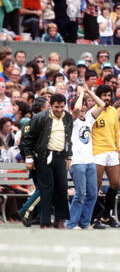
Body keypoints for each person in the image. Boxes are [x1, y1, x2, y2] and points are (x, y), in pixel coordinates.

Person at [21, 93, 73, 229]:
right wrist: (28, 158)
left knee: (62, 188)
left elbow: (68, 138)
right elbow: (27, 139)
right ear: (50, 105)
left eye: (62, 107)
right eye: (56, 107)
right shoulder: (40, 118)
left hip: (60, 156)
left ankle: (60, 220)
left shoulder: (67, 117)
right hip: (44, 157)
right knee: (46, 189)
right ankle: (44, 222)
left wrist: (69, 157)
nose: (59, 110)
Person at [67, 82, 106, 230]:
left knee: (92, 195)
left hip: (90, 161)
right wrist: (81, 94)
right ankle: (71, 224)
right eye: (81, 104)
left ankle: (84, 223)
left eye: (85, 105)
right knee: (80, 194)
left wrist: (89, 92)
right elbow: (76, 108)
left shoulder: (89, 118)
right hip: (77, 162)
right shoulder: (71, 120)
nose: (83, 107)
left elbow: (102, 105)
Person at [91, 85, 120, 229]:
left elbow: (117, 132)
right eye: (103, 95)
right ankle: (92, 218)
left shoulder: (113, 111)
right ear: (98, 96)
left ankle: (105, 215)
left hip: (112, 151)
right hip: (96, 152)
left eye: (109, 95)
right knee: (95, 185)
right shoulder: (92, 112)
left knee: (115, 184)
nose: (107, 98)